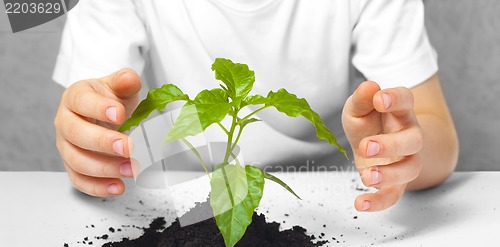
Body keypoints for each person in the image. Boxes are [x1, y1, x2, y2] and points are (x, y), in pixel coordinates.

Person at [53, 0, 459, 212]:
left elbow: (434, 132)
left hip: (333, 201)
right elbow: (96, 112)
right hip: (183, 199)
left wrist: (396, 153)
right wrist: (97, 137)